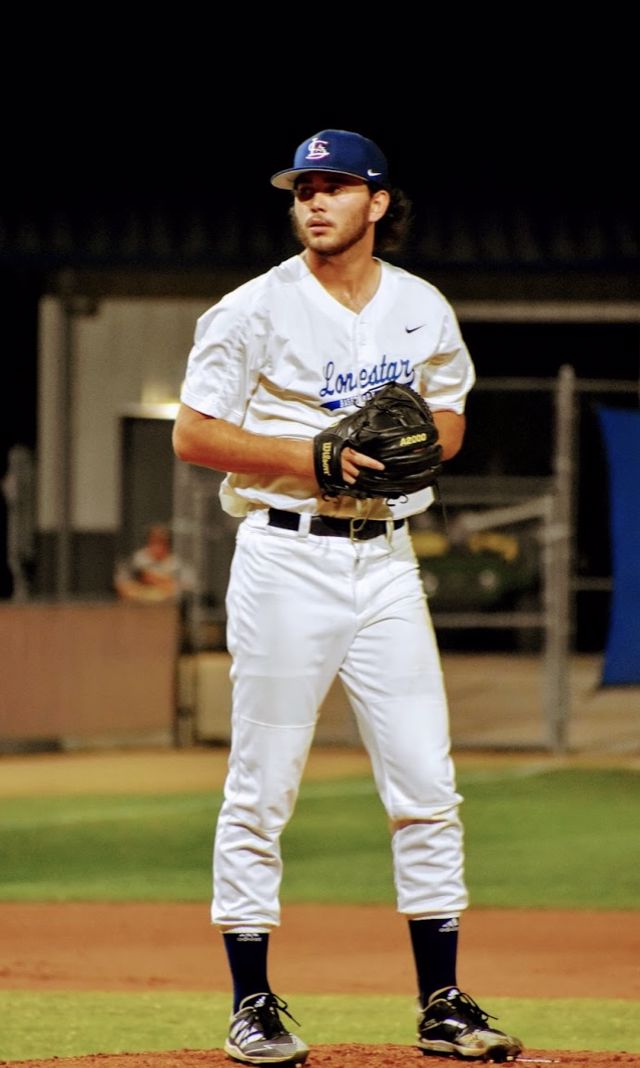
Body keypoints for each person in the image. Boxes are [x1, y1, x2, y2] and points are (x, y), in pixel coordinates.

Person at [173, 129, 523, 1064]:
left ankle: (442, 1003)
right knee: (262, 788)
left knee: (427, 788)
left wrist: (424, 448)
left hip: (388, 560)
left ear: (378, 202)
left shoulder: (420, 305)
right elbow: (194, 435)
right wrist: (309, 456)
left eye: (334, 186)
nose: (315, 201)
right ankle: (252, 1004)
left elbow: (447, 417)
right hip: (287, 558)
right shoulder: (252, 308)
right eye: (304, 189)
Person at [114, 523, 190, 603]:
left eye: (162, 543)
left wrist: (157, 580)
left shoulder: (176, 563)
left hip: (167, 603)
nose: (158, 547)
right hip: (138, 603)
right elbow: (121, 584)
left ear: (168, 545)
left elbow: (187, 587)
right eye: (154, 542)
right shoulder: (136, 560)